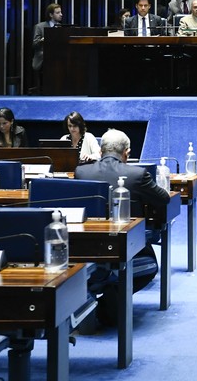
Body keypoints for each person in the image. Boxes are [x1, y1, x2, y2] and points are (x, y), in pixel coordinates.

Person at [76, 129, 170, 325]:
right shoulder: (137, 174)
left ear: (101, 151)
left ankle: (97, 287)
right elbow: (163, 199)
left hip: (87, 248)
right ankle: (111, 294)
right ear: (126, 152)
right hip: (127, 247)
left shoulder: (82, 172)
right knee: (150, 266)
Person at [31, 3, 63, 80]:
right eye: (58, 13)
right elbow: (34, 44)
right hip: (43, 59)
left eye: (61, 12)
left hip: (57, 58)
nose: (61, 14)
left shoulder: (60, 27)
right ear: (51, 15)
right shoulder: (39, 27)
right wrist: (43, 40)